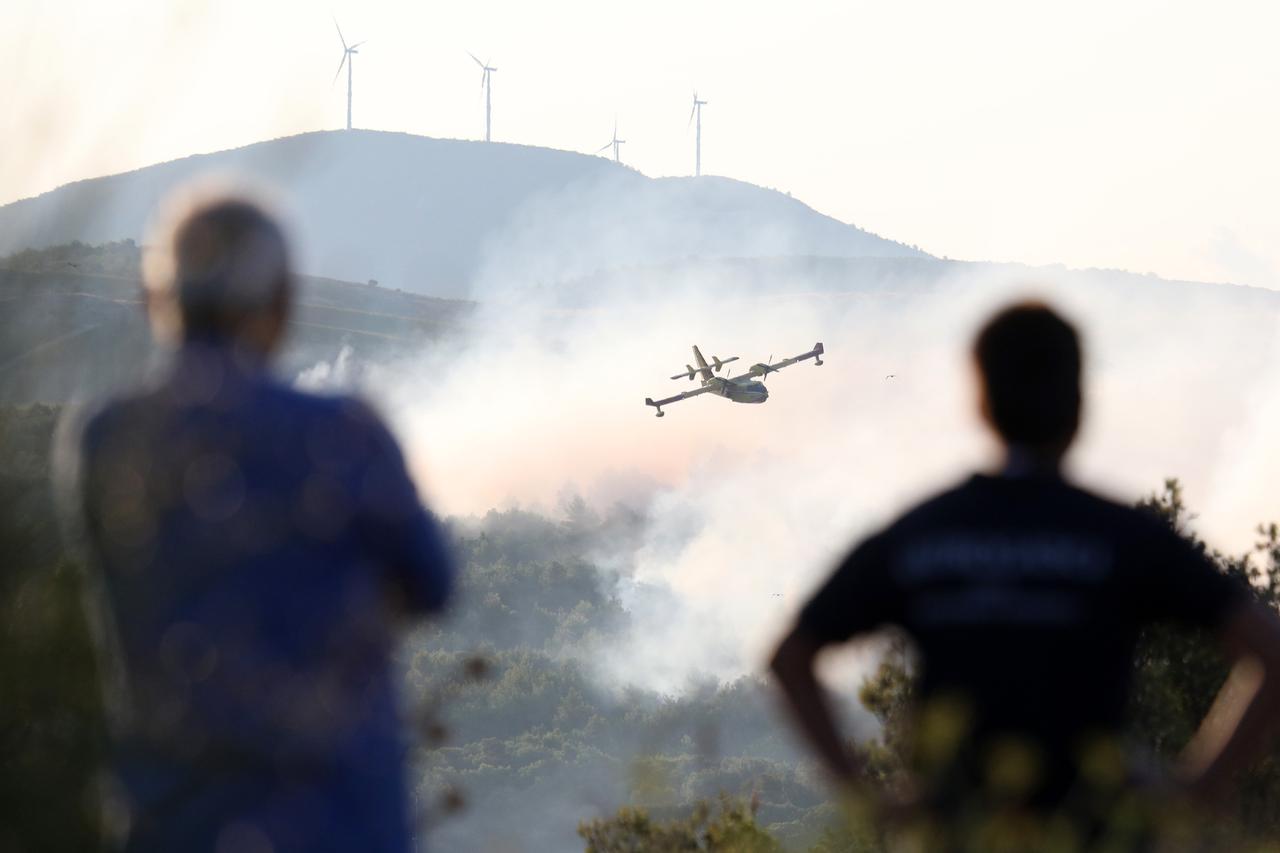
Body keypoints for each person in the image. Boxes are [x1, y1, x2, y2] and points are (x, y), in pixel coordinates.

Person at [770, 302, 1280, 849]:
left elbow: (791, 657)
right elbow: (1270, 651)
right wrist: (1198, 790)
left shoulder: (923, 533)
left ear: (981, 402)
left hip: (959, 833)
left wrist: (870, 798)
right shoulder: (1123, 537)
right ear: (1079, 404)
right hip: (1098, 832)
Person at [72, 188, 453, 852]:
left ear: (156, 301)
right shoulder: (346, 433)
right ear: (280, 305)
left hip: (174, 826)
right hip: (341, 823)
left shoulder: (106, 440)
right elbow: (434, 584)